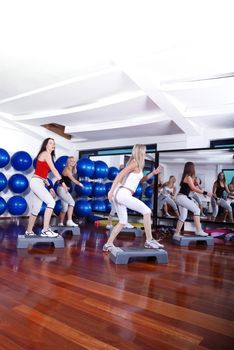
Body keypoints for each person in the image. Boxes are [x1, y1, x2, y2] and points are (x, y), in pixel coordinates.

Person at [103, 144, 163, 252]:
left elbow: (140, 180)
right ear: (140, 151)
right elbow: (119, 175)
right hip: (122, 193)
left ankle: (108, 244)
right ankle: (149, 240)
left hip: (120, 194)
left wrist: (153, 173)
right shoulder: (134, 162)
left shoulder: (138, 165)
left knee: (122, 221)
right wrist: (111, 191)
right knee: (147, 211)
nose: (145, 153)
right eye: (144, 151)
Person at [25, 138, 68, 237]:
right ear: (46, 145)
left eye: (54, 143)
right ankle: (45, 230)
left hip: (39, 182)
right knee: (51, 202)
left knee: (36, 209)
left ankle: (29, 231)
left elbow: (44, 176)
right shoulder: (45, 153)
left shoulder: (48, 156)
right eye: (50, 143)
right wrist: (63, 184)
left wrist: (50, 187)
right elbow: (53, 169)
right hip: (37, 182)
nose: (53, 145)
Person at [173, 162, 212, 239]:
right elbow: (193, 188)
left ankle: (176, 234)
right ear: (191, 168)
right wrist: (206, 192)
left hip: (181, 197)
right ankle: (198, 230)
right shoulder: (188, 177)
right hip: (181, 197)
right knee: (197, 210)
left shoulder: (188, 177)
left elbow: (192, 189)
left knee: (183, 217)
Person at [56, 156, 84, 227]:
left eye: (74, 161)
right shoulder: (67, 170)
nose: (73, 162)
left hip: (62, 189)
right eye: (71, 161)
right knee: (72, 202)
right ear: (68, 162)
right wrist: (81, 184)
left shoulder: (71, 169)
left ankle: (60, 223)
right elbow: (73, 180)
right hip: (62, 189)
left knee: (64, 208)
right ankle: (69, 221)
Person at [106, 163, 134, 230]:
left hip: (114, 194)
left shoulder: (121, 177)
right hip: (115, 195)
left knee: (116, 209)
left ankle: (118, 223)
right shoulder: (122, 177)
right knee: (116, 209)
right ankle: (122, 223)